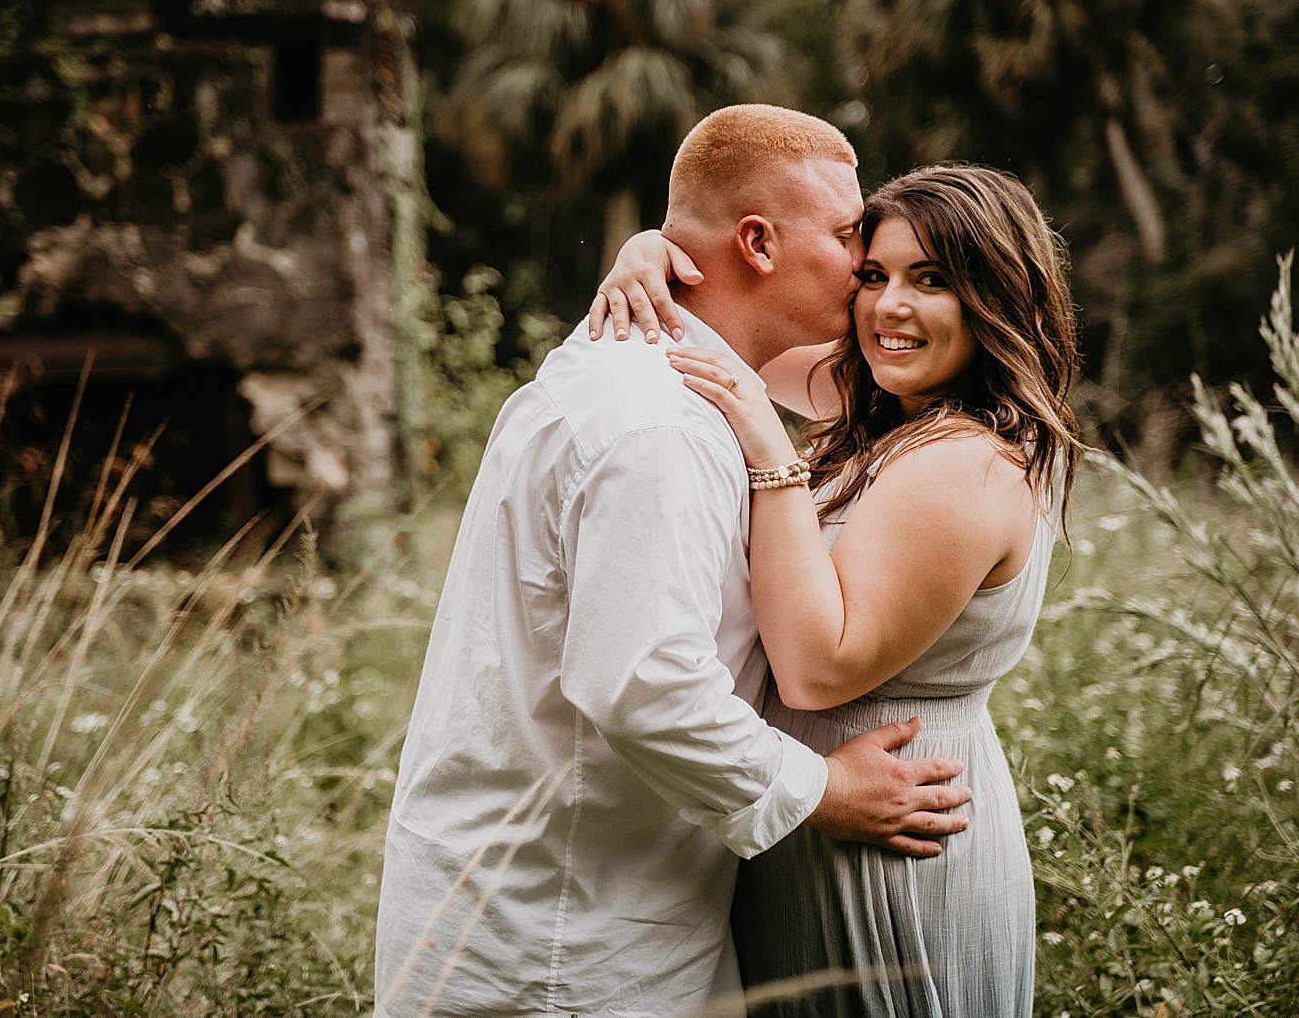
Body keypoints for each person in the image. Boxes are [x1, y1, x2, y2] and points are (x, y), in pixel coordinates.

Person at [373, 107, 975, 1018]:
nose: (862, 261)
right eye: (850, 233)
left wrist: (654, 245)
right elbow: (644, 682)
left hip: (570, 901)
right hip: (563, 940)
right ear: (759, 242)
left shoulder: (635, 365)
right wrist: (825, 788)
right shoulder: (659, 422)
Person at [591, 162, 1082, 1015]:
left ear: (995, 298)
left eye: (931, 281)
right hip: (828, 812)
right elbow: (734, 335)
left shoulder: (966, 462)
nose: (889, 307)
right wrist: (651, 253)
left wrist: (769, 454)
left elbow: (819, 668)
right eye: (874, 275)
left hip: (890, 841)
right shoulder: (894, 403)